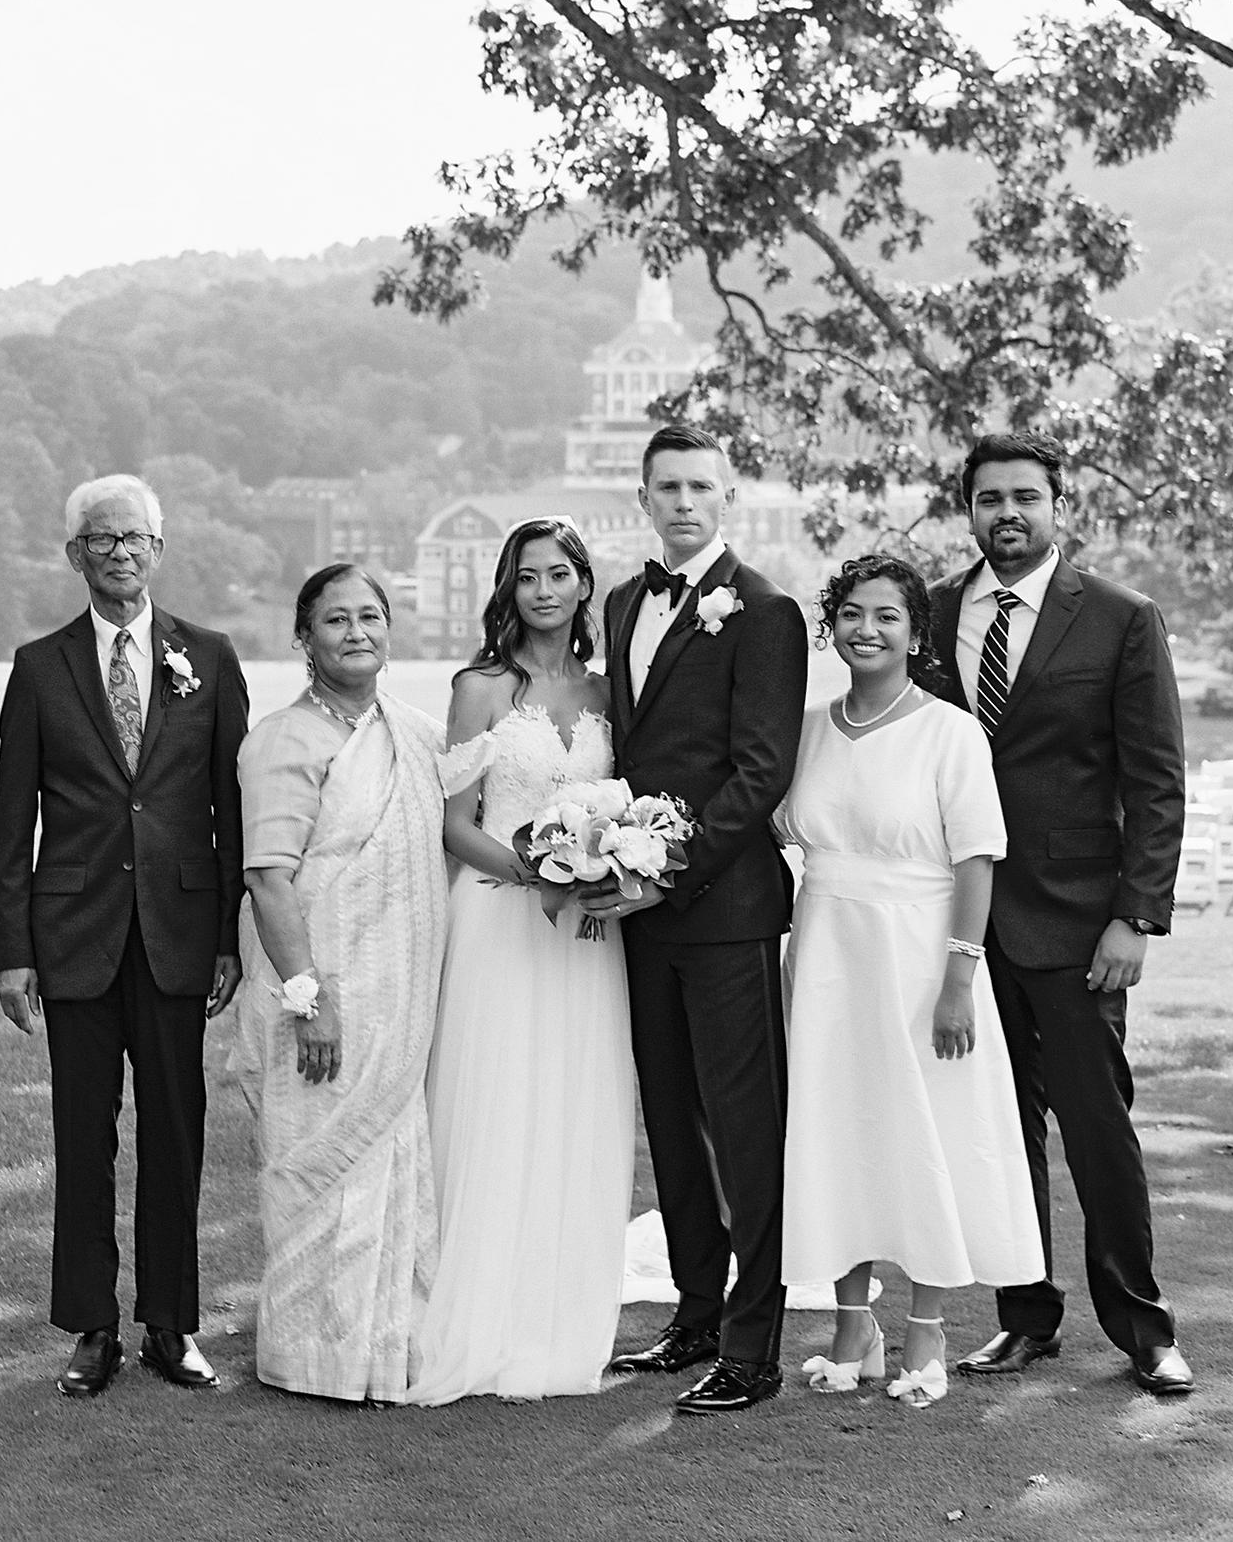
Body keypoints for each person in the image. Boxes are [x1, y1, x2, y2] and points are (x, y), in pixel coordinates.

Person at [930, 430, 1194, 1397]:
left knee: (1096, 1128)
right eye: (989, 498)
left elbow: (1157, 779)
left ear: (1056, 504)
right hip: (962, 923)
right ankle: (1023, 1317)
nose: (1007, 513)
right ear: (968, 508)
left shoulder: (1121, 617)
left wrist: (1137, 917)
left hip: (1082, 923)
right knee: (998, 1129)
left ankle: (1143, 1329)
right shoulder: (928, 615)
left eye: (1025, 497)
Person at [0, 473, 248, 1398]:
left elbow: (231, 806)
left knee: (178, 1132)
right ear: (75, 556)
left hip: (179, 933)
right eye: (101, 540)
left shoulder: (209, 659)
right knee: (81, 1134)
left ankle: (172, 1326)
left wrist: (230, 938)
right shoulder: (38, 666)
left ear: (159, 549)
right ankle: (91, 1327)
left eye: (135, 538)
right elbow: (12, 817)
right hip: (74, 936)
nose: (120, 553)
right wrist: (11, 951)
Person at [776, 556, 1043, 1408]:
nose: (867, 630)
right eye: (851, 614)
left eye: (887, 616)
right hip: (825, 956)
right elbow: (779, 827)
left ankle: (928, 1334)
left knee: (926, 1131)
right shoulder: (808, 729)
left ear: (914, 632)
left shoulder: (948, 732)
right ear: (832, 625)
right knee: (839, 1131)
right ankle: (853, 1326)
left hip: (922, 955)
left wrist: (959, 979)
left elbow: (976, 860)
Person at [597, 424, 808, 1415]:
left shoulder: (765, 611)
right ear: (643, 496)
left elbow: (761, 771)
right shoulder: (623, 602)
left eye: (700, 486)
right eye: (666, 486)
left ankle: (754, 1346)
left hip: (721, 906)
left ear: (728, 496)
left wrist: (665, 867)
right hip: (639, 914)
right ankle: (693, 1312)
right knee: (671, 1124)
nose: (683, 501)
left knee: (743, 1129)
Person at [408, 518, 635, 1403]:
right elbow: (453, 823)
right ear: (508, 589)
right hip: (501, 922)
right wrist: (540, 872)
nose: (543, 590)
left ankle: (560, 1320)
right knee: (494, 1100)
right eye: (527, 576)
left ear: (583, 583)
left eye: (559, 574)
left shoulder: (611, 691)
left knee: (579, 1102)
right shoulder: (482, 688)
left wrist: (596, 877)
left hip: (589, 937)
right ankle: (477, 1317)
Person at [229, 564, 449, 1403]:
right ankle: (311, 1353)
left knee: (389, 1160)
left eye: (370, 617)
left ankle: (389, 1339)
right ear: (304, 639)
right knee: (316, 1165)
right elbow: (268, 879)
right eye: (336, 621)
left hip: (400, 998)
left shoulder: (415, 734)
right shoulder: (284, 740)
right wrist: (308, 998)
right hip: (320, 999)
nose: (356, 632)